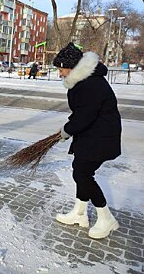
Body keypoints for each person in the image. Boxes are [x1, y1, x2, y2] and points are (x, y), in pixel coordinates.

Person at [53, 42, 121, 239]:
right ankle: (80, 214)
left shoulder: (90, 84)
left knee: (83, 174)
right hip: (92, 135)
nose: (60, 74)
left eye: (61, 69)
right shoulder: (86, 80)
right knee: (80, 171)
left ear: (72, 67)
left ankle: (106, 219)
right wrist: (67, 129)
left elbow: (85, 116)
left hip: (99, 137)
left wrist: (66, 130)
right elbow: (82, 113)